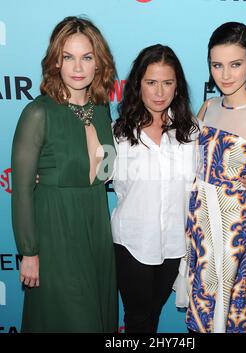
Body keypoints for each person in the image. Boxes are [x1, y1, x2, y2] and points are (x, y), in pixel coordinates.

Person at [111, 44, 246, 333]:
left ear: (178, 87)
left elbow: (217, 171)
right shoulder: (117, 133)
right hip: (132, 243)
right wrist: (49, 174)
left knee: (152, 314)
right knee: (138, 318)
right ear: (138, 85)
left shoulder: (191, 132)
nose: (159, 92)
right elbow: (87, 173)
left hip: (178, 246)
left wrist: (244, 179)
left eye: (167, 83)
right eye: (151, 83)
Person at [11, 16, 118, 333]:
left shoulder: (100, 108)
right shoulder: (38, 113)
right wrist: (29, 252)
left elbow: (105, 172)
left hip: (96, 230)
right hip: (56, 234)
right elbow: (22, 190)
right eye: (68, 56)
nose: (78, 67)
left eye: (87, 57)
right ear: (56, 60)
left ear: (98, 63)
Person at [185, 22, 246, 333]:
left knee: (226, 319)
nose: (225, 75)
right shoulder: (207, 107)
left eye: (235, 64)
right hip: (198, 228)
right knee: (201, 319)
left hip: (231, 234)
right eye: (217, 65)